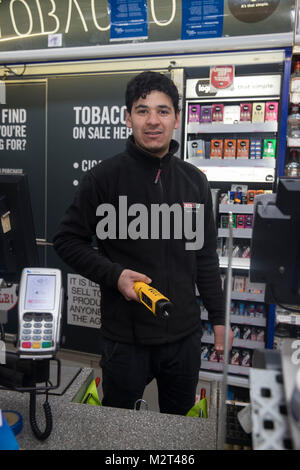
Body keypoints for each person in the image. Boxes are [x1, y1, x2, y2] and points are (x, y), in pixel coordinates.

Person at [53, 71, 234, 416]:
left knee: (179, 429)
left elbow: (205, 258)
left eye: (163, 111)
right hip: (125, 340)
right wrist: (115, 275)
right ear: (127, 117)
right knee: (117, 429)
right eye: (142, 110)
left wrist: (219, 318)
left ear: (177, 119)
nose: (153, 121)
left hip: (183, 338)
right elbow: (66, 240)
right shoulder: (102, 179)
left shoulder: (195, 182)